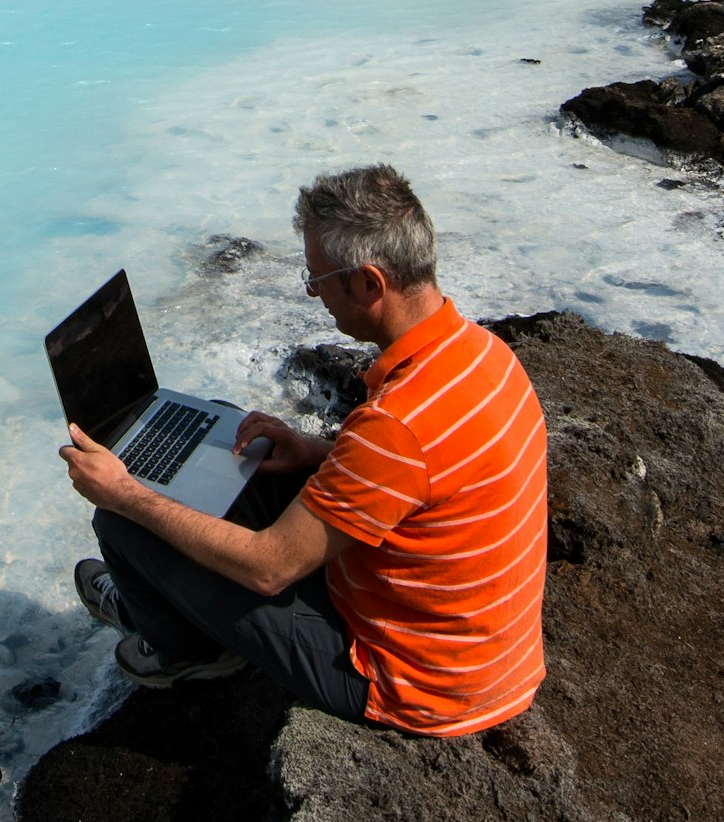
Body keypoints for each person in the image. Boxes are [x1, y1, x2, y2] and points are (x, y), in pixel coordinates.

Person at [60, 163, 549, 737]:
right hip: (487, 654)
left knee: (124, 523)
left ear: (369, 283)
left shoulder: (395, 427)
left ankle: (184, 651)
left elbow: (269, 570)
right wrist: (318, 452)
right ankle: (173, 598)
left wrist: (124, 494)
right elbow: (432, 474)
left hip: (418, 686)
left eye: (318, 280)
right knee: (235, 441)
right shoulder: (484, 354)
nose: (314, 294)